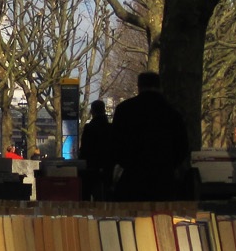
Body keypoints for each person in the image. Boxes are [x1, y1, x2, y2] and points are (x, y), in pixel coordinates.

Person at [111, 71, 192, 201]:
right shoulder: (172, 112)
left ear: (139, 86)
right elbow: (182, 146)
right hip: (164, 179)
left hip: (133, 179)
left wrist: (128, 164)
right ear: (159, 86)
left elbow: (115, 145)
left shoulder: (124, 110)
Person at [77, 99, 115, 201]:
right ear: (104, 110)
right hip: (108, 169)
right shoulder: (111, 128)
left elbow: (85, 150)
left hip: (91, 168)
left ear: (92, 112)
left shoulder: (89, 128)